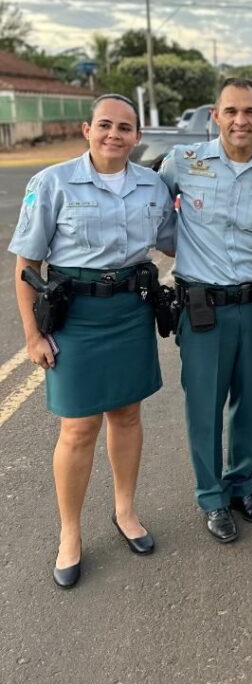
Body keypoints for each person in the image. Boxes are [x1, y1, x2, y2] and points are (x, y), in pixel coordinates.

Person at [9, 94, 176, 588]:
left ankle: (125, 511)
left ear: (137, 136)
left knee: (127, 414)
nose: (114, 135)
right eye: (105, 125)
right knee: (78, 428)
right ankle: (69, 533)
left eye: (125, 128)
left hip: (129, 311)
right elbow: (26, 265)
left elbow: (175, 240)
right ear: (87, 129)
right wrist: (32, 335)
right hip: (74, 317)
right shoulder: (52, 182)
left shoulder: (152, 185)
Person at [160, 78, 252, 543]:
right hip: (204, 310)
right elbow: (156, 217)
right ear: (215, 116)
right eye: (231, 111)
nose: (241, 120)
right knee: (205, 407)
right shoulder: (183, 162)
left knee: (250, 402)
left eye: (250, 111)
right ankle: (212, 497)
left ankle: (242, 484)